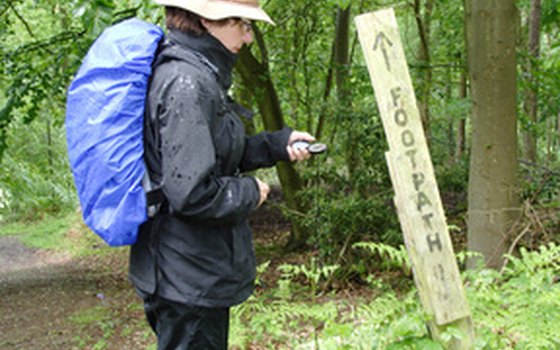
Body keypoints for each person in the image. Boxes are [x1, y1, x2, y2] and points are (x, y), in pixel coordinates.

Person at [128, 0, 315, 348]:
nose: (248, 37)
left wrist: (277, 145)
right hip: (186, 277)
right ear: (207, 21)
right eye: (243, 24)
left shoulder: (197, 72)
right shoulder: (187, 83)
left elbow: (213, 154)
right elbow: (192, 192)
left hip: (188, 271)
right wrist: (250, 192)